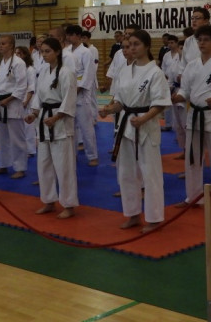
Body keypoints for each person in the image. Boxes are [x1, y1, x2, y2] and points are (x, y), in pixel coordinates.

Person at [100, 30, 170, 232]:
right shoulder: (124, 71)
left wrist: (144, 118)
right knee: (126, 172)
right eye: (129, 45)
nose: (131, 48)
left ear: (146, 46)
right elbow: (120, 102)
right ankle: (132, 214)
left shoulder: (155, 72)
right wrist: (108, 109)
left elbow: (160, 103)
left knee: (150, 174)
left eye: (136, 44)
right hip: (126, 125)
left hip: (145, 126)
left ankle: (154, 218)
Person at [172, 24, 211, 212]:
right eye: (199, 40)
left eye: (206, 40)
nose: (202, 43)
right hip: (194, 116)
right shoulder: (191, 65)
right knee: (192, 160)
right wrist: (177, 97)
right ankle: (193, 197)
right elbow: (185, 90)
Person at [25, 37, 78, 219]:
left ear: (57, 52)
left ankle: (69, 205)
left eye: (48, 51)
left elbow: (69, 99)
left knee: (64, 167)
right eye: (42, 51)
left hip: (60, 123)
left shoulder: (66, 73)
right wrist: (34, 113)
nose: (44, 54)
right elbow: (39, 97)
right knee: (44, 165)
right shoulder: (43, 72)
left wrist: (56, 117)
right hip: (44, 121)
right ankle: (48, 200)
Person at [0, 35, 29, 179]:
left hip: (13, 104)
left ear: (12, 45)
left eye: (3, 43)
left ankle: (20, 168)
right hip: (0, 103)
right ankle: (4, 165)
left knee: (17, 138)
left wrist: (9, 99)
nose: (0, 46)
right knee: (2, 138)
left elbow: (22, 86)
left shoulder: (19, 63)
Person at [65, 25, 99, 166]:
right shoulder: (66, 51)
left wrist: (78, 89)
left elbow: (89, 73)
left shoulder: (86, 52)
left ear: (79, 36)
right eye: (67, 35)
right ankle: (72, 155)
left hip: (81, 93)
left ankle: (92, 156)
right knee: (70, 128)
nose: (68, 37)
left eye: (71, 35)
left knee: (86, 127)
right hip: (68, 91)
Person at [160, 35, 185, 154]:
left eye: (172, 42)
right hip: (172, 87)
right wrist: (167, 87)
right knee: (177, 120)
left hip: (183, 89)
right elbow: (166, 72)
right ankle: (183, 147)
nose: (170, 45)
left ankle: (188, 149)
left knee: (184, 120)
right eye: (168, 43)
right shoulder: (167, 56)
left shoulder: (184, 57)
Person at [14, 46, 37, 157]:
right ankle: (20, 148)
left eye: (19, 53)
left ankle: (30, 150)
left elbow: (31, 87)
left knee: (28, 127)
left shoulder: (30, 69)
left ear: (25, 55)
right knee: (18, 127)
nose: (17, 56)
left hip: (27, 100)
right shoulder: (17, 68)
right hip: (17, 99)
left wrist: (26, 101)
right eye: (16, 53)